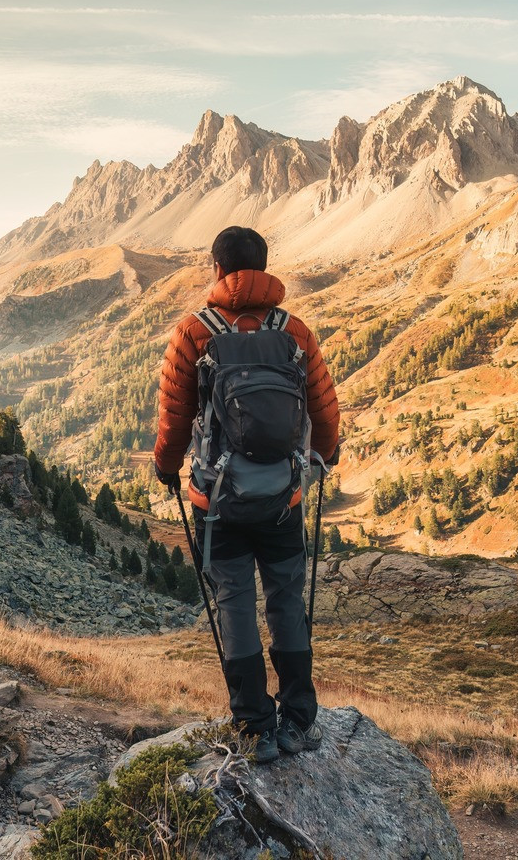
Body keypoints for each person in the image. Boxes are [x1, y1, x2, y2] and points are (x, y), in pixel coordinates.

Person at [154, 226, 340, 762]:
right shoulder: (295, 332)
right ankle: (299, 720)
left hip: (219, 501)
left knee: (234, 604)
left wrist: (169, 469)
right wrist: (326, 455)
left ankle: (255, 729)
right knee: (286, 600)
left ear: (217, 269)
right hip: (284, 499)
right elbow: (324, 409)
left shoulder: (194, 333)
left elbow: (174, 417)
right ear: (263, 268)